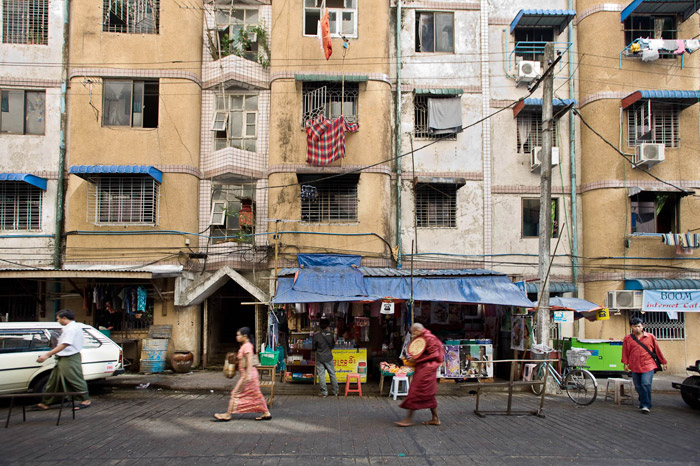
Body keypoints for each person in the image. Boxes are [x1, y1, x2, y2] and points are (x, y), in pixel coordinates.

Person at [34, 309, 91, 411]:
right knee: (54, 380)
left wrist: (47, 354)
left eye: (58, 319)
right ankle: (46, 402)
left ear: (64, 318)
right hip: (63, 356)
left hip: (70, 357)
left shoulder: (72, 329)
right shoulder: (70, 327)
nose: (58, 321)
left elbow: (65, 344)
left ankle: (85, 400)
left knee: (75, 378)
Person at [214, 327, 272, 421]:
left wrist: (248, 375)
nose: (237, 337)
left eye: (238, 335)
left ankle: (228, 414)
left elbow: (249, 360)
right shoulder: (245, 346)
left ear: (244, 336)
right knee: (256, 395)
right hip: (249, 375)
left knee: (235, 393)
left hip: (248, 375)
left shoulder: (247, 346)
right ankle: (266, 412)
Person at [395, 323, 444, 427]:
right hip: (424, 367)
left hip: (427, 368)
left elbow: (435, 355)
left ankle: (408, 419)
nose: (413, 336)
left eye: (413, 333)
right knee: (428, 393)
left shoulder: (429, 338)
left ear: (417, 331)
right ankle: (435, 418)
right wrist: (414, 358)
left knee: (415, 391)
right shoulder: (424, 337)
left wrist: (417, 359)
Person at [622, 317, 668, 414]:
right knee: (638, 386)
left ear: (643, 326)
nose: (637, 328)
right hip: (635, 365)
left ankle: (646, 405)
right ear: (631, 327)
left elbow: (657, 350)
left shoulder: (650, 337)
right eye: (635, 326)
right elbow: (625, 352)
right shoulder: (627, 338)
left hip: (648, 364)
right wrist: (625, 363)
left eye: (639, 326)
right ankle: (643, 401)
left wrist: (663, 362)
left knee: (645, 384)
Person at [313, 318, 338, 397]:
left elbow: (313, 348)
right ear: (328, 326)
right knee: (332, 374)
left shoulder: (316, 336)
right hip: (329, 357)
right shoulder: (331, 335)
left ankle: (324, 392)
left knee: (321, 375)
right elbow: (332, 346)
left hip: (320, 357)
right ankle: (335, 391)